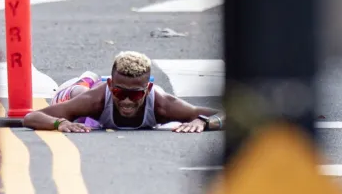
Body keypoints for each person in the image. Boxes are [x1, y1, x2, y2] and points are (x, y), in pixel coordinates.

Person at [22, 51, 225, 133]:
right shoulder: (94, 100)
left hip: (99, 105)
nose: (127, 101)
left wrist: (203, 121)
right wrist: (60, 122)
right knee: (80, 101)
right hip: (75, 92)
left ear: (148, 89)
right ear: (111, 86)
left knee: (88, 121)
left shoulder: (164, 104)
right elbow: (31, 117)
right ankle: (87, 80)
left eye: (135, 94)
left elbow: (226, 114)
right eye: (120, 92)